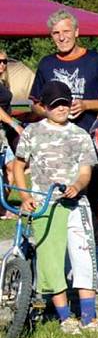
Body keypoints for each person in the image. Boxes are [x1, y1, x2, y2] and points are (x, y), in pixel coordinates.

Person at [14, 81, 98, 336]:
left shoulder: (80, 135)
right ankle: (64, 317)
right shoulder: (32, 132)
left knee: (84, 256)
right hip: (44, 203)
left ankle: (89, 317)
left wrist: (77, 185)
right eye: (54, 104)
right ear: (44, 106)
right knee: (50, 257)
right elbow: (18, 165)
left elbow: (85, 171)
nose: (60, 108)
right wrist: (24, 195)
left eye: (64, 103)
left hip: (75, 203)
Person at [30, 10, 98, 247]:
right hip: (55, 148)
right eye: (56, 33)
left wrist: (87, 104)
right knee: (56, 209)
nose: (61, 37)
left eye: (66, 32)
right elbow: (35, 105)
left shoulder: (96, 60)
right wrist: (49, 111)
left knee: (93, 216)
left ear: (77, 32)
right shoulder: (47, 64)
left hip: (87, 145)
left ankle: (89, 260)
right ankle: (59, 260)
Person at [0, 49, 24, 218]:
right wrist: (14, 124)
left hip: (4, 131)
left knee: (12, 167)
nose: (2, 65)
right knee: (10, 167)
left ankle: (2, 206)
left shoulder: (2, 83)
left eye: (4, 61)